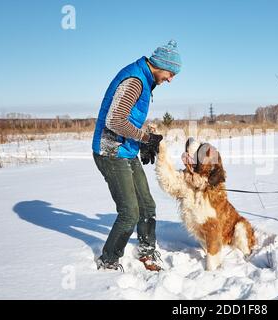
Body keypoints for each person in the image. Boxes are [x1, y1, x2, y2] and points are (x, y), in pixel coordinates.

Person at [91, 40, 182, 272]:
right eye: (170, 73)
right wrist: (145, 139)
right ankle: (109, 259)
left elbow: (127, 120)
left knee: (146, 204)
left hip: (125, 149)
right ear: (160, 66)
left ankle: (146, 250)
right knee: (130, 212)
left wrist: (142, 141)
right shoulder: (135, 81)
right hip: (110, 150)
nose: (170, 79)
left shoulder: (145, 79)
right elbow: (114, 120)